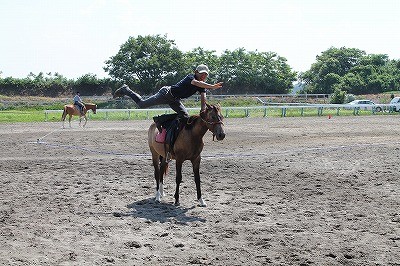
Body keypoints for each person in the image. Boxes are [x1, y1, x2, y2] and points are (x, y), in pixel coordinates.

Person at [113, 64, 223, 119]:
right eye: (202, 73)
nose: (203, 76)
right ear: (196, 72)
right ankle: (126, 90)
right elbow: (197, 83)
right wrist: (212, 86)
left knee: (185, 116)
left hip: (175, 99)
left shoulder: (202, 85)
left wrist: (203, 110)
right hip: (166, 94)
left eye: (205, 74)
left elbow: (203, 98)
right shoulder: (191, 78)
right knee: (142, 104)